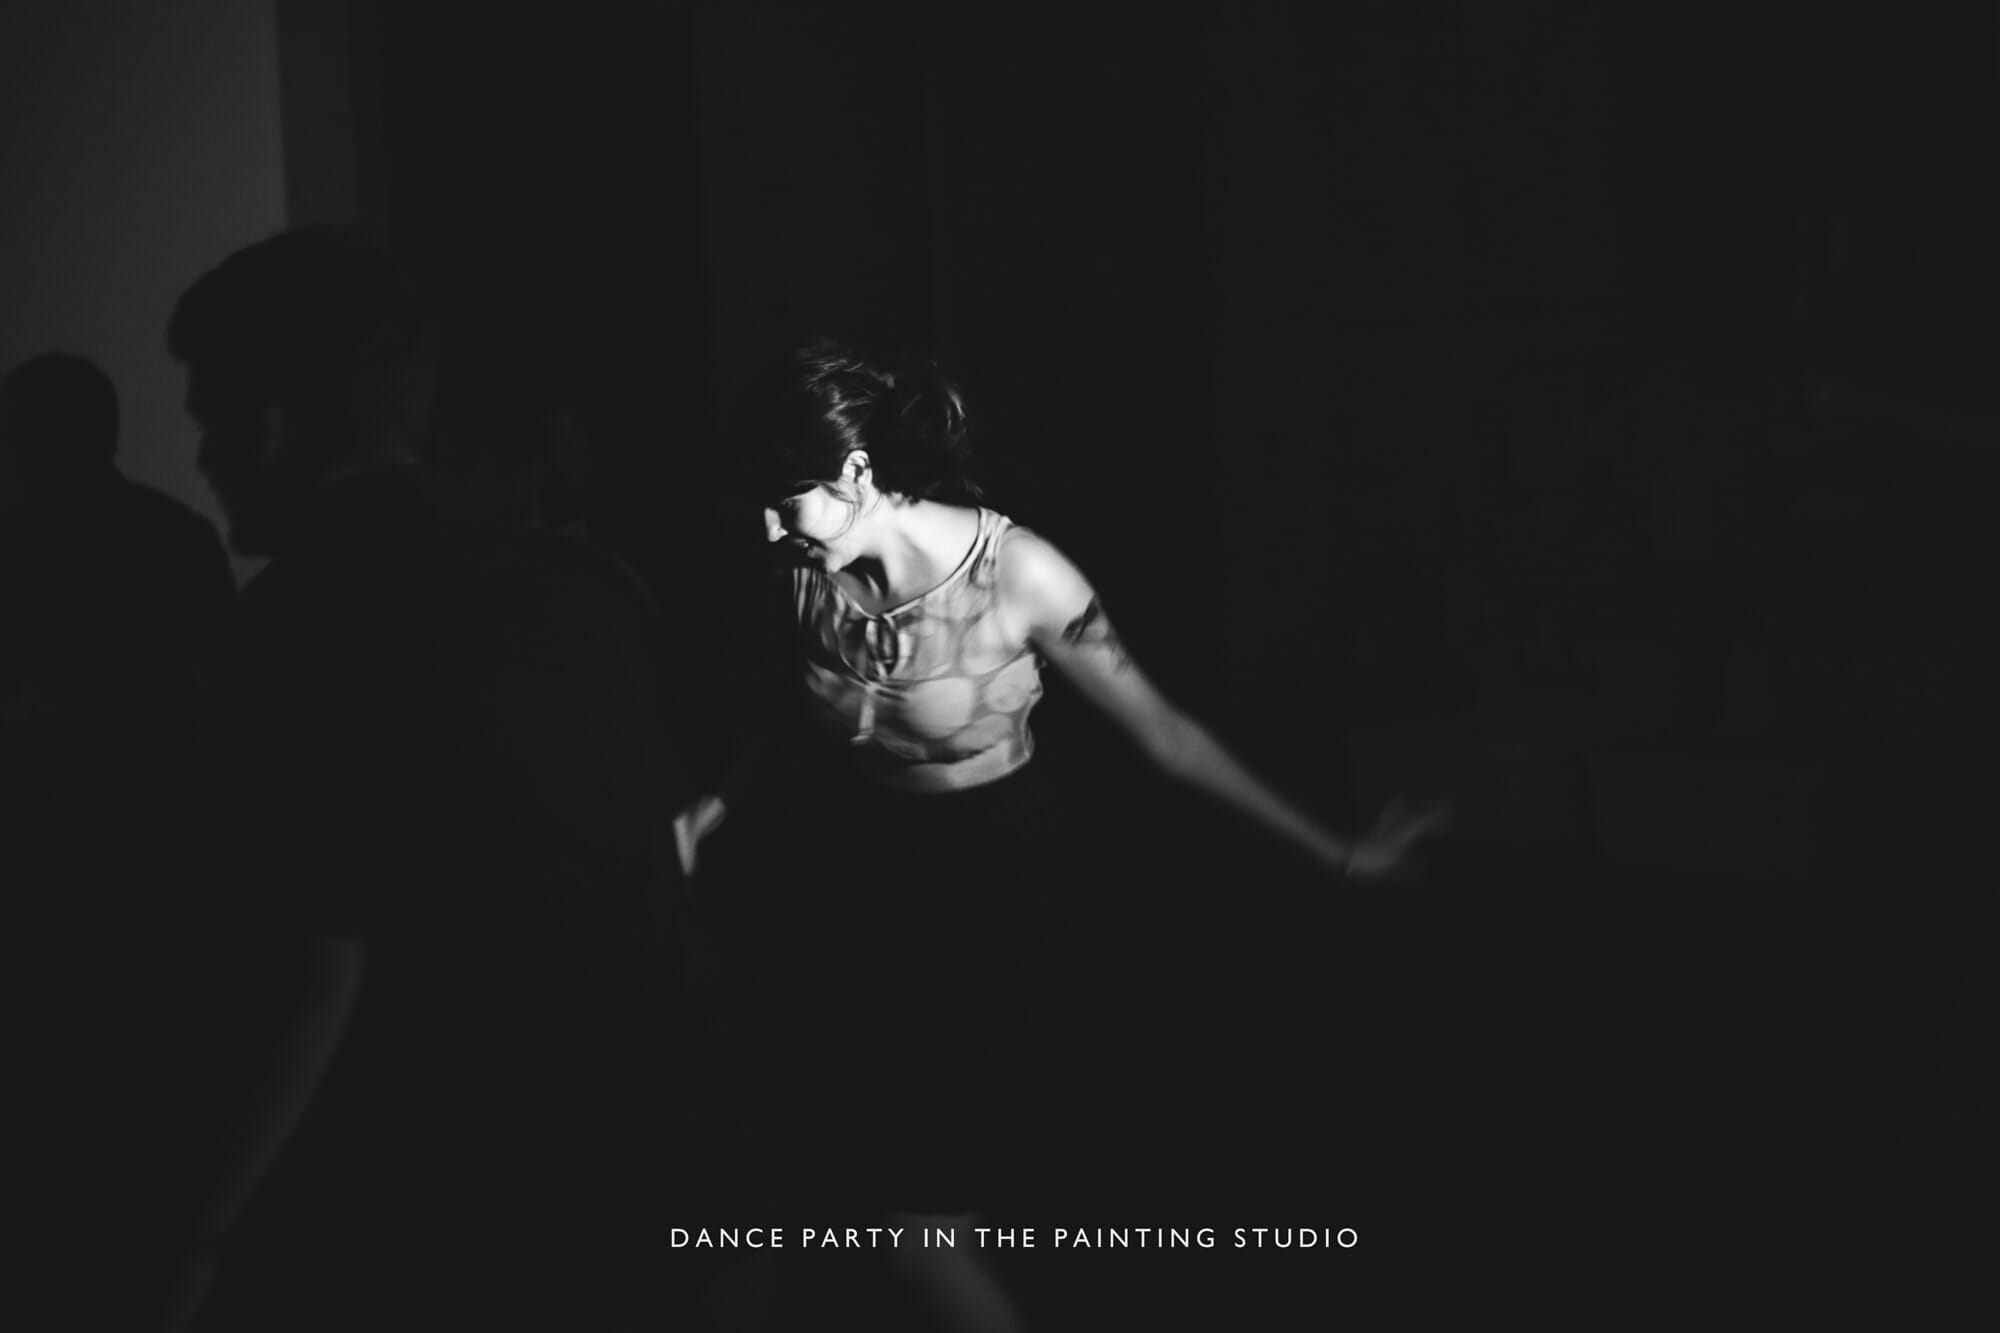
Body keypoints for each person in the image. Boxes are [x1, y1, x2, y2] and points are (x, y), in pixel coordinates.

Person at [681, 337, 1448, 1331]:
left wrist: (1336, 851)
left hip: (996, 876)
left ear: (856, 471)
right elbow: (783, 715)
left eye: (784, 501)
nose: (765, 526)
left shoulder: (1020, 574)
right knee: (850, 1181)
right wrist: (710, 806)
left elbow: (1166, 734)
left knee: (922, 1217)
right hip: (868, 872)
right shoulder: (801, 567)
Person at [156, 227, 684, 1331]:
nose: (201, 456)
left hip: (402, 1213)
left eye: (205, 419)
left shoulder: (294, 625)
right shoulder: (585, 596)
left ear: (267, 425)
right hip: (612, 1181)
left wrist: (191, 1239)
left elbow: (310, 968)